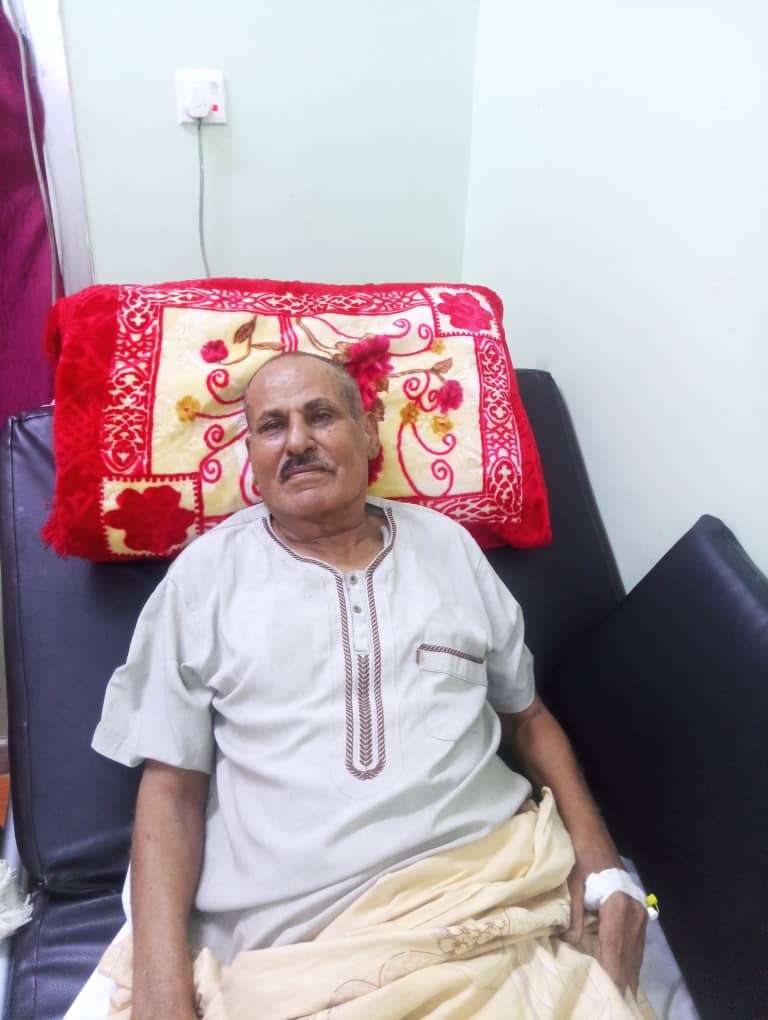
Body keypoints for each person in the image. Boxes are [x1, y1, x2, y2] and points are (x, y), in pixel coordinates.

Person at [92, 352, 650, 1020]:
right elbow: (171, 788)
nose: (297, 442)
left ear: (368, 430)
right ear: (253, 456)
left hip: (494, 896)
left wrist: (603, 864)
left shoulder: (447, 548)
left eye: (320, 415)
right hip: (306, 947)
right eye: (272, 426)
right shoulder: (204, 579)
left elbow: (527, 718)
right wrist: (160, 990)